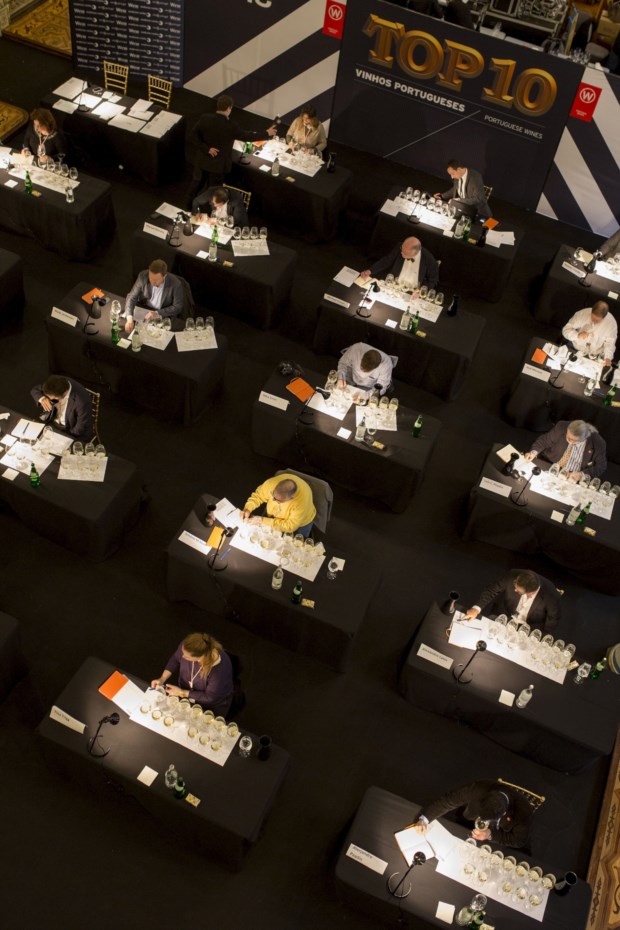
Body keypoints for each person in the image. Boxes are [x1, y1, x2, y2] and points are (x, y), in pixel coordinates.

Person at [187, 94, 276, 207]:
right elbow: (247, 136)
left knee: (196, 184)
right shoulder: (231, 126)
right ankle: (212, 211)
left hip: (202, 161)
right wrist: (266, 133)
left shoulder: (205, 118)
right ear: (229, 108)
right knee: (214, 192)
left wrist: (207, 148)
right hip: (218, 166)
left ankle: (188, 205)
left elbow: (193, 135)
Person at [412, 780, 535, 849]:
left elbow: (519, 840)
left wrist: (490, 835)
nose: (484, 821)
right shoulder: (477, 789)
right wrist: (424, 819)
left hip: (497, 839)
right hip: (468, 822)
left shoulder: (524, 812)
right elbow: (448, 801)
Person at [151, 632, 234, 715]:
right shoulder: (187, 646)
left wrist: (181, 692)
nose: (182, 656)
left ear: (201, 657)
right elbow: (176, 659)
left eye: (187, 657)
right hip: (185, 692)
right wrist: (162, 678)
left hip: (210, 705)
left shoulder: (219, 672)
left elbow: (210, 697)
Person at [465, 569, 560, 631]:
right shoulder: (512, 575)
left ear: (531, 592)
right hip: (504, 613)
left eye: (518, 591)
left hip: (528, 627)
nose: (515, 590)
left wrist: (538, 638)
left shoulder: (551, 595)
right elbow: (491, 591)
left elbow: (552, 619)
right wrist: (476, 609)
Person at [524, 419, 607, 480]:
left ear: (584, 438)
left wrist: (581, 474)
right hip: (550, 464)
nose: (569, 441)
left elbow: (601, 466)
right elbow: (544, 441)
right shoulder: (562, 426)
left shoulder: (598, 442)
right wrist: (533, 452)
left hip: (572, 475)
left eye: (573, 440)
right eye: (568, 436)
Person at [241, 474, 316, 536]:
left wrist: (263, 521)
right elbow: (258, 496)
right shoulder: (271, 484)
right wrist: (248, 508)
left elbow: (290, 526)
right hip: (273, 513)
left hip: (299, 523)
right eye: (273, 496)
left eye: (278, 501)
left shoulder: (301, 503)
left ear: (291, 498)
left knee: (294, 544)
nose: (273, 500)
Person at [124, 259, 184, 334]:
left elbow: (178, 306)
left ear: (164, 276)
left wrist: (157, 313)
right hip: (144, 310)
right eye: (150, 278)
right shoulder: (143, 276)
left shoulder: (176, 284)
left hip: (163, 314)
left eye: (155, 280)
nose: (152, 283)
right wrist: (129, 318)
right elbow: (131, 297)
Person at [30, 375, 93, 442]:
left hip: (71, 431)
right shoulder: (55, 383)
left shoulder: (82, 402)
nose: (50, 400)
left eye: (54, 399)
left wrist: (62, 438)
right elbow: (34, 390)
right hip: (52, 423)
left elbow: (79, 429)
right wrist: (42, 398)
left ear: (65, 392)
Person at [361, 237, 439, 290]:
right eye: (402, 249)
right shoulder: (400, 247)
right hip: (394, 286)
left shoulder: (429, 259)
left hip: (413, 292)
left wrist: (420, 291)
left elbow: (433, 280)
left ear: (415, 253)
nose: (401, 253)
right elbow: (386, 261)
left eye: (405, 253)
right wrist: (370, 271)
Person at [562, 301, 617, 368]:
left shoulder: (611, 324)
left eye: (597, 320)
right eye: (592, 318)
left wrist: (608, 357)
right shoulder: (581, 314)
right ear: (591, 311)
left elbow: (610, 343)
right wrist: (577, 335)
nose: (594, 321)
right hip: (576, 347)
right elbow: (565, 330)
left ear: (604, 317)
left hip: (595, 355)